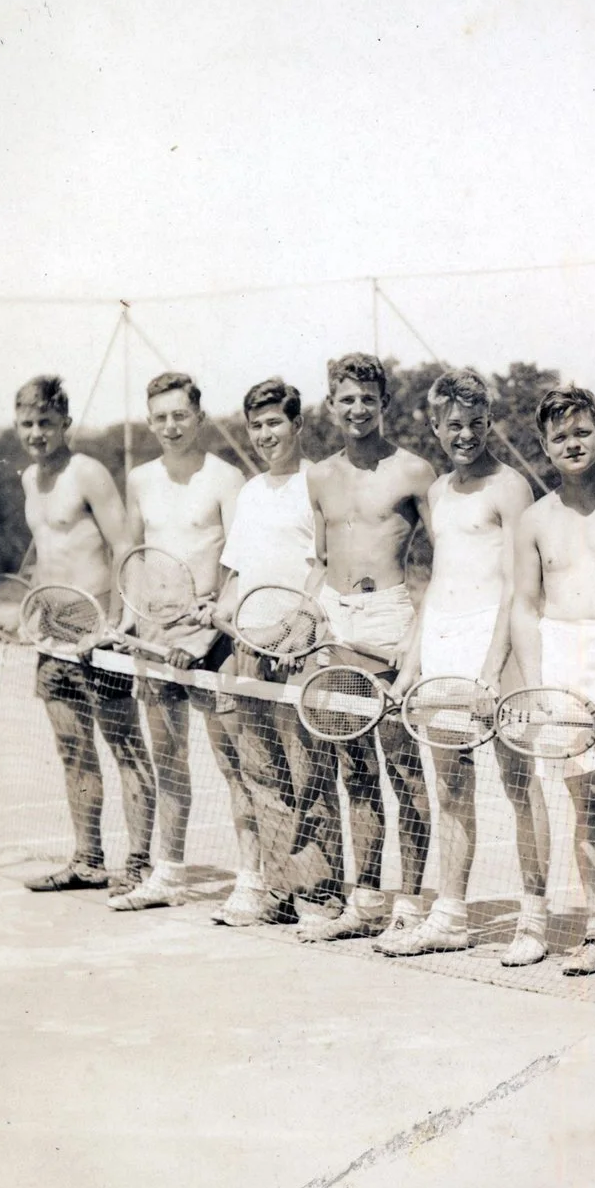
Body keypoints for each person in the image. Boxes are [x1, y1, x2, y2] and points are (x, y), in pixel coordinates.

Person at [379, 369, 544, 959]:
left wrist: (493, 668)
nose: (466, 434)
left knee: (521, 788)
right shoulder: (439, 492)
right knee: (449, 787)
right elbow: (441, 582)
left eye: (476, 423)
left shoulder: (512, 488)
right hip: (445, 648)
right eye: (454, 425)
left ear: (490, 422)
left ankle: (533, 920)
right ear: (435, 427)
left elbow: (516, 587)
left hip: (497, 652)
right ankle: (449, 916)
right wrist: (412, 666)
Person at [295, 354, 436, 943]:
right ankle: (367, 900)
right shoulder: (320, 475)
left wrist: (416, 634)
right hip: (334, 622)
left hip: (392, 618)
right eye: (346, 399)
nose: (357, 409)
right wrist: (307, 616)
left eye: (367, 400)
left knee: (405, 774)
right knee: (355, 772)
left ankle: (411, 906)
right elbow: (322, 562)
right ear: (331, 406)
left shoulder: (414, 472)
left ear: (385, 405)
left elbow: (443, 563)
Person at [510, 384, 595, 975]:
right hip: (563, 663)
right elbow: (523, 605)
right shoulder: (534, 520)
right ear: (544, 446)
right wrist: (538, 685)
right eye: (559, 436)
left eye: (581, 432)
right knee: (587, 804)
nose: (572, 444)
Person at [113, 371, 257, 913]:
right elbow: (130, 555)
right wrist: (127, 623)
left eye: (180, 415)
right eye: (160, 417)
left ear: (198, 416)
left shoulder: (226, 479)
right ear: (150, 422)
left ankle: (252, 881)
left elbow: (239, 565)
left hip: (215, 644)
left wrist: (200, 636)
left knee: (235, 763)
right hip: (156, 644)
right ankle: (168, 875)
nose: (171, 426)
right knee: (168, 758)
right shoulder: (140, 479)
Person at [11, 374, 156, 895]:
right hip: (52, 635)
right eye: (26, 423)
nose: (36, 433)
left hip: (100, 634)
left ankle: (139, 867)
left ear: (65, 423)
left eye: (46, 422)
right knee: (73, 750)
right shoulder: (30, 479)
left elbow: (124, 547)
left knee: (126, 749)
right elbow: (46, 555)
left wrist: (118, 624)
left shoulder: (88, 472)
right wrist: (25, 614)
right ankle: (88, 861)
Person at [216, 378, 344, 927]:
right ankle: (283, 890)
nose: (266, 434)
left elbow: (325, 562)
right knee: (263, 776)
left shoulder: (316, 483)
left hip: (302, 650)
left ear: (297, 425)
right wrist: (220, 613)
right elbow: (237, 575)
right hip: (250, 651)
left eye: (275, 423)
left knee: (310, 775)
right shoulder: (248, 492)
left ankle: (322, 894)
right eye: (257, 425)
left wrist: (301, 622)